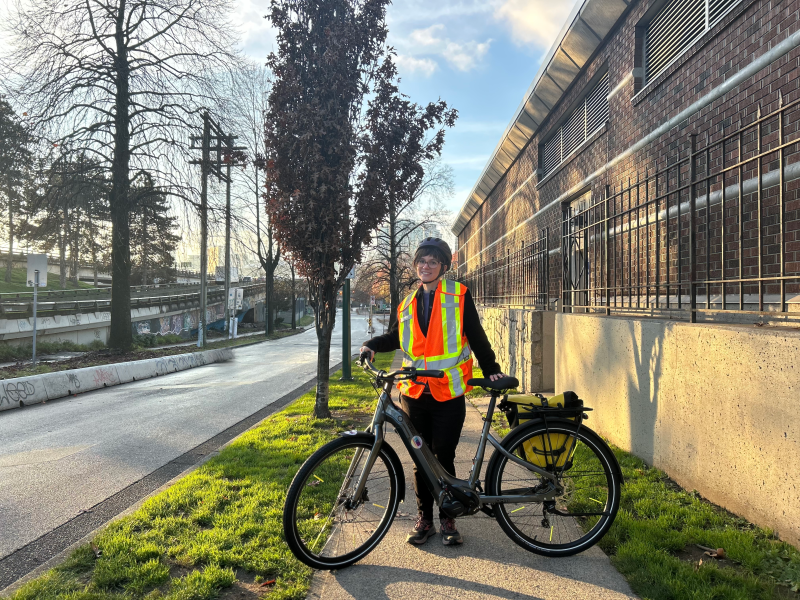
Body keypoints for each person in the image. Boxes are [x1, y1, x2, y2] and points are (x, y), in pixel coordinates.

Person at [359, 237, 506, 547]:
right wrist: (372, 346)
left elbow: (476, 335)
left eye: (432, 262)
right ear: (416, 266)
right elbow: (395, 338)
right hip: (413, 393)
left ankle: (448, 517)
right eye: (421, 261)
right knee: (419, 459)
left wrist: (490, 366)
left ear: (443, 267)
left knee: (444, 456)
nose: (425, 266)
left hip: (447, 392)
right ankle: (425, 518)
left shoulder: (458, 295)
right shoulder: (406, 303)